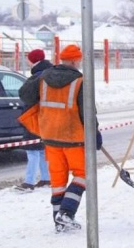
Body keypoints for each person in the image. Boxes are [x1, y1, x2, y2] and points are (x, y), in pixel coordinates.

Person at [18, 44, 103, 233]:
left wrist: (36, 77)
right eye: (79, 61)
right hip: (72, 137)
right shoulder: (80, 81)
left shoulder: (44, 77)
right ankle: (66, 213)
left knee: (58, 181)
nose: (80, 63)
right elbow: (88, 112)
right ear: (74, 61)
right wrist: (95, 133)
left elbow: (24, 95)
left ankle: (59, 222)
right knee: (83, 175)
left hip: (49, 137)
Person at [14, 49, 53, 192]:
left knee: (32, 150)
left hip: (35, 116)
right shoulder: (50, 73)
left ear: (33, 61)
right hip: (46, 116)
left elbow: (26, 95)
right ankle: (46, 178)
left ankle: (29, 182)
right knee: (41, 149)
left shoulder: (37, 76)